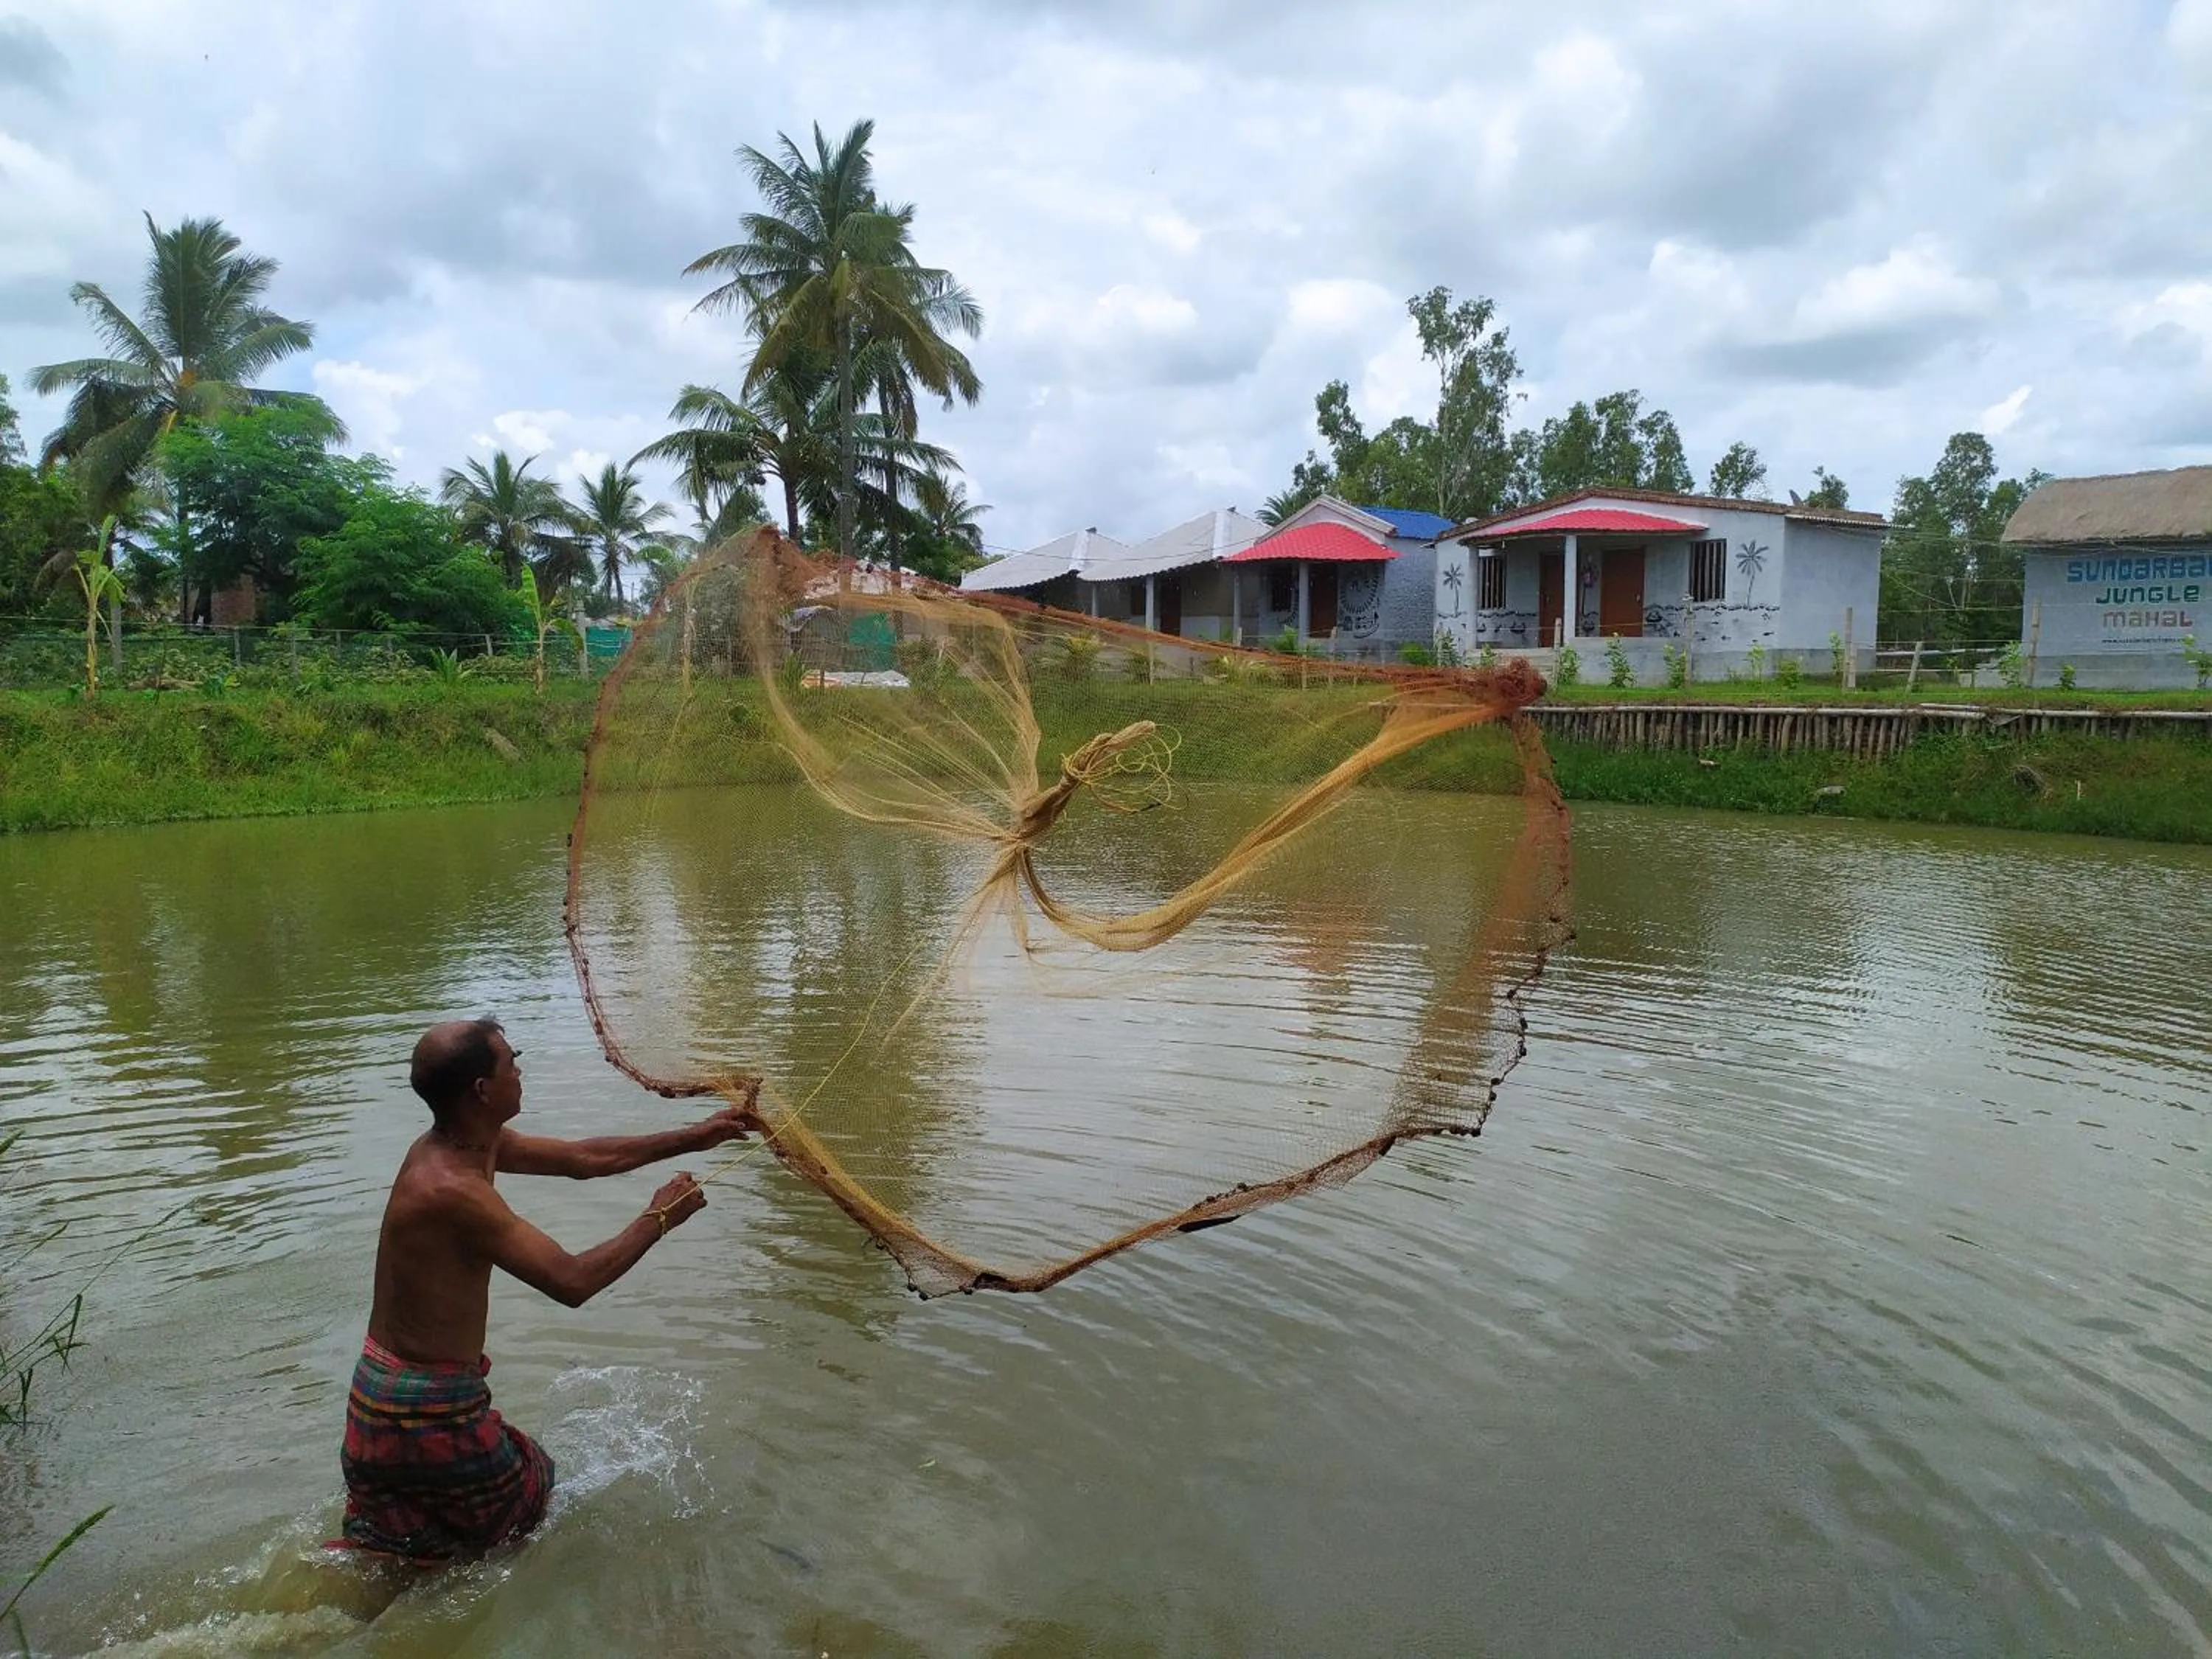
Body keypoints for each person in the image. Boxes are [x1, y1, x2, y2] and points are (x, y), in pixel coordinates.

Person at [338, 1017, 750, 1562]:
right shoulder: (453, 1190)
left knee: (408, 1555)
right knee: (526, 1521)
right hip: (425, 1413)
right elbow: (571, 1281)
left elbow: (585, 1160)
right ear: (483, 1091)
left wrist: (700, 1135)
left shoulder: (463, 1143)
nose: (520, 1071)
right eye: (512, 1062)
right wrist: (660, 1217)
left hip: (384, 1398)